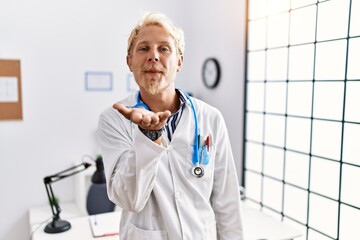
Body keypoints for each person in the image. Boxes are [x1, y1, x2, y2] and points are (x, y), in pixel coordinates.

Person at [97, 12, 244, 240]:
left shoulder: (210, 118)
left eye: (164, 48)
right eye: (143, 48)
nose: (153, 56)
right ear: (129, 61)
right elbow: (129, 199)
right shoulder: (113, 120)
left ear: (179, 62)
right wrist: (149, 137)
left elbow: (227, 204)